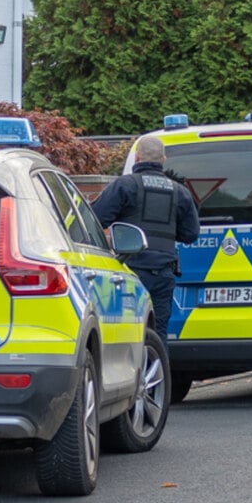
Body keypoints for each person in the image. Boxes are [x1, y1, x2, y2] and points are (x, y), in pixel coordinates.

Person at [92, 135, 200, 349]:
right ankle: (156, 380)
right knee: (157, 336)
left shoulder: (124, 186)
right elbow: (190, 234)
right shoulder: (179, 192)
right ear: (164, 159)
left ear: (137, 157)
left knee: (127, 332)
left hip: (131, 271)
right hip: (163, 273)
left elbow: (95, 219)